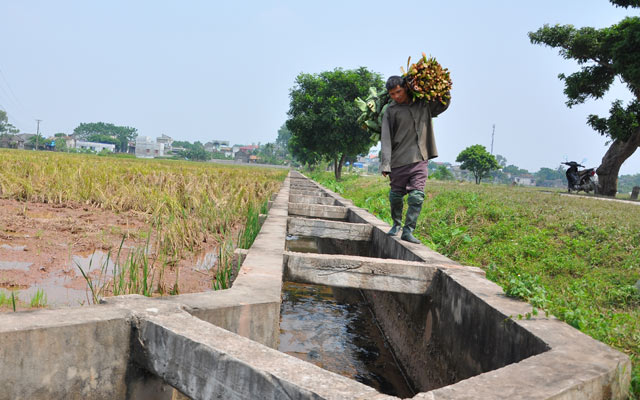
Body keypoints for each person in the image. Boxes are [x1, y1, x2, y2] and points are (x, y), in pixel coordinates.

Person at [380, 76, 450, 243]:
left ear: (405, 88)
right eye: (392, 94)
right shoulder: (391, 111)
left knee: (417, 196)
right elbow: (386, 138)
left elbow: (442, 105)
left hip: (420, 158)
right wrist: (385, 163)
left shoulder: (422, 104)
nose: (396, 96)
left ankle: (408, 230)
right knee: (396, 196)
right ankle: (396, 224)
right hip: (398, 160)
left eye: (398, 91)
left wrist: (444, 88)